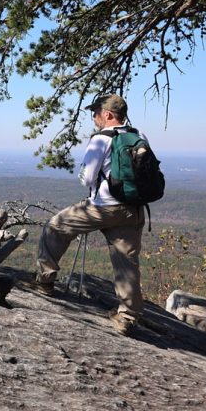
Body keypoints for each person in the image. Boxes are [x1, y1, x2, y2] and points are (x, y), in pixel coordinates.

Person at [32, 94, 147, 335]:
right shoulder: (139, 136)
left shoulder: (101, 139)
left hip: (103, 206)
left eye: (96, 113)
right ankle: (127, 316)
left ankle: (44, 281)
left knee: (55, 227)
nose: (93, 117)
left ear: (108, 115)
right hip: (133, 209)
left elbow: (87, 177)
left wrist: (86, 177)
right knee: (127, 262)